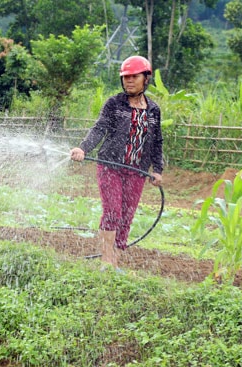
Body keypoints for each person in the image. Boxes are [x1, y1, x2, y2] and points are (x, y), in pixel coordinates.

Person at [70, 55, 164, 269]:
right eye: (125, 77)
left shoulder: (153, 110)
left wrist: (157, 169)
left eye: (134, 76)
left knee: (127, 216)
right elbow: (99, 128)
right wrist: (83, 148)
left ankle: (116, 260)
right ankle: (106, 260)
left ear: (146, 78)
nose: (129, 81)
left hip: (137, 171)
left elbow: (157, 140)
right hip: (111, 167)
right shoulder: (114, 104)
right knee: (113, 211)